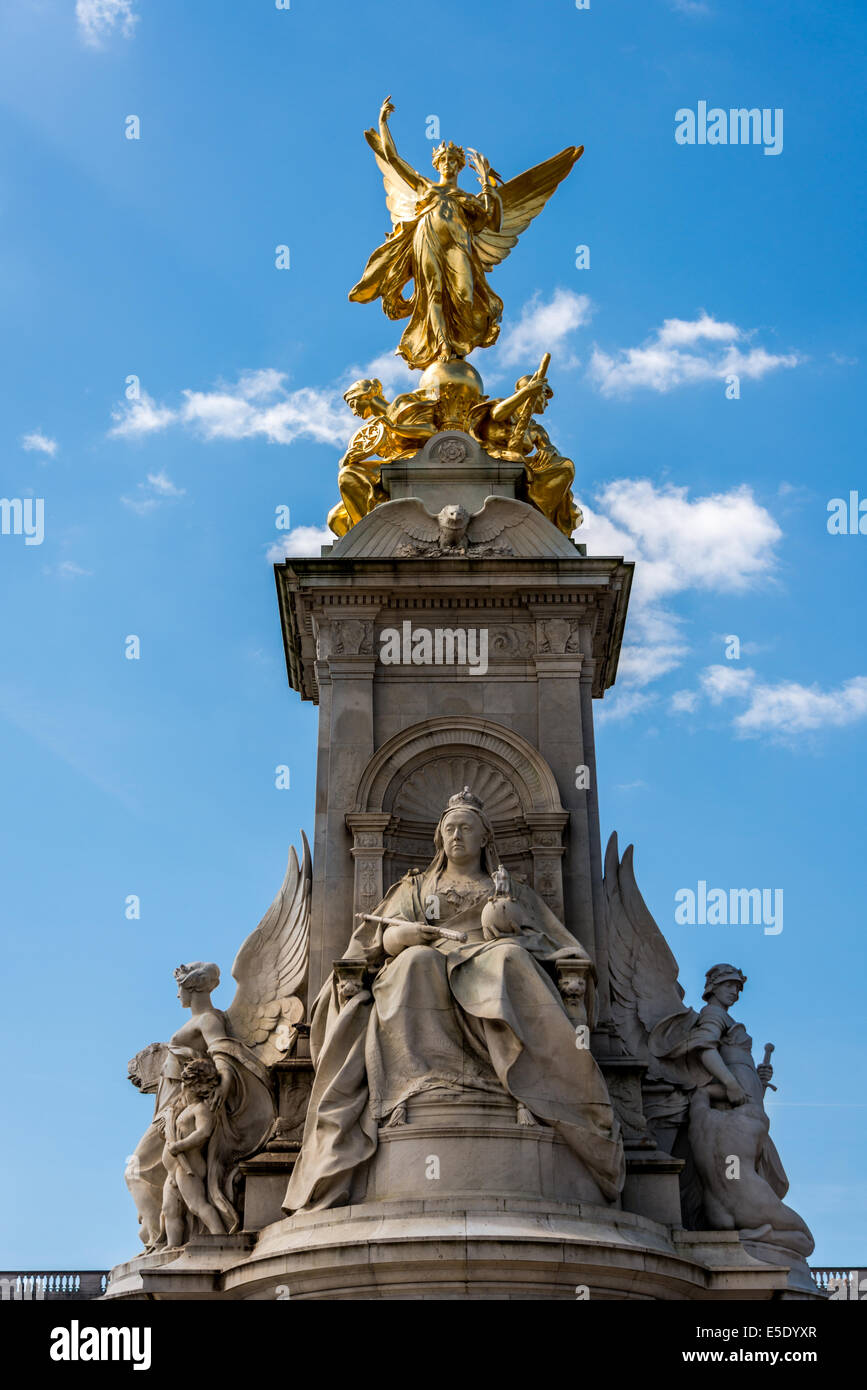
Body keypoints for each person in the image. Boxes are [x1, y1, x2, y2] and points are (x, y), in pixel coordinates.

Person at [284, 788, 625, 1212]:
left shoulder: (508, 889)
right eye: (449, 828)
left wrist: (506, 926)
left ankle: (525, 1088)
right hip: (428, 963)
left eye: (466, 828)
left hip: (489, 959)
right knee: (416, 963)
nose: (457, 835)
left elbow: (551, 941)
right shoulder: (414, 887)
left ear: (485, 838)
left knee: (510, 959)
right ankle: (412, 1088)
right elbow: (373, 940)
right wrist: (400, 936)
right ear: (438, 838)